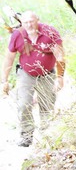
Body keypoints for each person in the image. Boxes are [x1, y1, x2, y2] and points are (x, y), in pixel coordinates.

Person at [1, 11, 65, 147]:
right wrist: (4, 80)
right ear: (22, 23)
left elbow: (60, 56)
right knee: (23, 104)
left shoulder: (50, 32)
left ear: (38, 20)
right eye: (25, 22)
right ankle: (26, 135)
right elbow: (9, 58)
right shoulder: (17, 35)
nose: (29, 25)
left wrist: (60, 77)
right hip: (26, 73)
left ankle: (47, 134)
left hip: (47, 73)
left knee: (47, 105)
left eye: (32, 21)